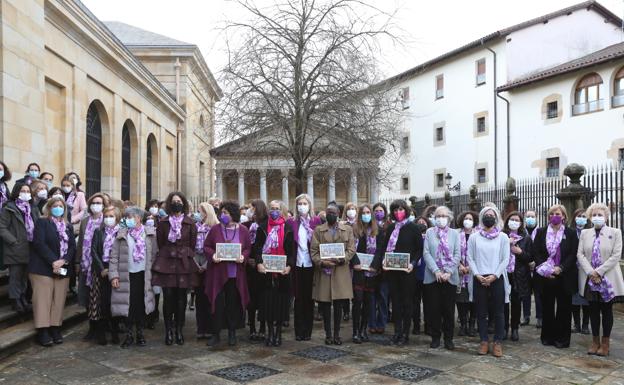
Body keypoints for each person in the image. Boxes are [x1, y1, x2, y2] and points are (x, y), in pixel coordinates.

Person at [152, 192, 200, 346]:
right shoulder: (163, 222)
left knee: (181, 299)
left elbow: (192, 244)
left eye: (179, 201)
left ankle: (179, 329)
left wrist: (184, 253)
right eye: (174, 201)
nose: (176, 203)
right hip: (167, 262)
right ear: (169, 204)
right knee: (168, 298)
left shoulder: (190, 223)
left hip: (183, 263)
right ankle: (168, 331)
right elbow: (160, 242)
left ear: (183, 203)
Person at [577, 203, 624, 357]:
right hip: (591, 280)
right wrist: (591, 272)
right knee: (593, 311)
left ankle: (605, 343)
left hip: (607, 279)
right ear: (590, 217)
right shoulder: (585, 233)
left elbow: (616, 255)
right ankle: (595, 341)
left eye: (600, 215)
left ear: (606, 216)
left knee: (607, 311)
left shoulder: (615, 232)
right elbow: (580, 254)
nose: (597, 217)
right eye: (594, 215)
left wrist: (599, 272)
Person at [374, 199, 423, 346]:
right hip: (392, 272)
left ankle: (405, 334)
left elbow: (419, 249)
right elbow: (384, 247)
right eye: (395, 210)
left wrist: (413, 264)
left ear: (406, 210)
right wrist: (383, 261)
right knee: (395, 302)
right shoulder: (391, 228)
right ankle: (397, 331)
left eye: (400, 209)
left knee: (407, 303)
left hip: (407, 272)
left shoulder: (413, 228)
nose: (398, 212)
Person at [204, 200, 251, 347]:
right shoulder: (215, 229)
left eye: (226, 212)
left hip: (235, 274)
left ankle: (232, 333)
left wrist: (243, 256)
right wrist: (213, 256)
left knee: (232, 304)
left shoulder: (243, 230)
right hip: (218, 273)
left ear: (233, 214)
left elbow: (248, 248)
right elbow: (207, 246)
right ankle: (215, 333)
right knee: (217, 304)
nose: (223, 215)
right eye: (222, 212)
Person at [29, 197, 75, 346]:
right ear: (49, 208)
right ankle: (43, 331)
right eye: (55, 206)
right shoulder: (42, 222)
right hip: (42, 268)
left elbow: (73, 247)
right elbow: (39, 243)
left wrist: (64, 261)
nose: (58, 208)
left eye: (60, 206)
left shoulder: (68, 226)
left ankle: (55, 328)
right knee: (43, 300)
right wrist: (53, 261)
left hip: (62, 267)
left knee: (59, 299)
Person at [109, 207, 157, 348]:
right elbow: (114, 257)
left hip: (143, 275)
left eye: (130, 217)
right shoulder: (121, 234)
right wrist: (114, 276)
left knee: (141, 305)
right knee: (128, 305)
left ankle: (140, 333)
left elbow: (154, 255)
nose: (127, 220)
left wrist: (153, 274)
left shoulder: (150, 234)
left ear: (138, 218)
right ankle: (129, 334)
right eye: (126, 217)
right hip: (126, 275)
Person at [533, 204, 578, 349]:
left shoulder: (570, 233)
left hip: (564, 276)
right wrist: (547, 270)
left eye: (557, 213)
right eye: (551, 213)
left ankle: (562, 339)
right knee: (547, 307)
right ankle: (547, 336)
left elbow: (573, 253)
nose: (554, 216)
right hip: (546, 276)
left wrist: (561, 268)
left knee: (564, 308)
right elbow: (537, 252)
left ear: (564, 216)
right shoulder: (541, 232)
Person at [468, 206, 510, 358]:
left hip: (496, 278)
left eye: (492, 215)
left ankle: (497, 342)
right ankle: (484, 341)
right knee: (481, 312)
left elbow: (505, 259)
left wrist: (495, 275)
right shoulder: (474, 237)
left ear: (496, 218)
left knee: (498, 312)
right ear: (481, 217)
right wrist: (477, 274)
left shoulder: (503, 237)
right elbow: (470, 257)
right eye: (486, 215)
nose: (489, 217)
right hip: (479, 278)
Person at [310, 202, 355, 345]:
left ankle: (337, 334)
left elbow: (351, 249)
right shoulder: (318, 230)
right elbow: (314, 251)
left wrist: (343, 259)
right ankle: (328, 334)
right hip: (324, 271)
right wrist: (322, 262)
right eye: (328, 212)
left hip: (341, 271)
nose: (331, 215)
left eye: (333, 213)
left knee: (338, 305)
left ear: (338, 214)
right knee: (325, 305)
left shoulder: (347, 229)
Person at [255, 200, 294, 346]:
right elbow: (257, 248)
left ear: (281, 210)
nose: (274, 211)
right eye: (272, 208)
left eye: (277, 208)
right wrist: (259, 263)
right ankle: (270, 333)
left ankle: (278, 333)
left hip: (283, 273)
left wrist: (289, 266)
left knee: (280, 305)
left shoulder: (288, 227)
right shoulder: (263, 227)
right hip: (266, 272)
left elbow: (291, 251)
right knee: (268, 304)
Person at [423, 206, 460, 350]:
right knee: (434, 309)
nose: (441, 218)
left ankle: (449, 338)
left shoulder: (455, 234)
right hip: (433, 277)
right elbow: (426, 253)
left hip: (450, 277)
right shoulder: (429, 232)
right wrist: (436, 271)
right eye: (438, 216)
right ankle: (435, 337)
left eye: (444, 216)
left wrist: (449, 271)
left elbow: (457, 254)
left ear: (449, 218)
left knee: (448, 310)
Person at [0, 183, 40, 313]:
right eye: (23, 191)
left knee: (24, 275)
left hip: (30, 247)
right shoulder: (9, 208)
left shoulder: (33, 208)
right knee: (15, 276)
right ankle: (15, 299)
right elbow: (2, 227)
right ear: (17, 192)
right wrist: (13, 241)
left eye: (28, 191)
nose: (26, 193)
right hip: (15, 247)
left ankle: (23, 297)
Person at [76, 192, 109, 340]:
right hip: (86, 265)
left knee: (100, 298)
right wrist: (77, 262)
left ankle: (102, 328)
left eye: (99, 203)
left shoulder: (107, 221)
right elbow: (81, 243)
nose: (96, 205)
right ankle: (92, 328)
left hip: (100, 266)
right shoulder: (85, 221)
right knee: (88, 298)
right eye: (94, 202)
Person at [290, 194, 321, 341]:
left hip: (311, 264)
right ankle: (298, 330)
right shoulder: (292, 222)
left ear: (310, 205)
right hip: (297, 264)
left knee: (309, 298)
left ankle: (307, 330)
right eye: (299, 204)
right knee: (298, 298)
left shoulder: (316, 222)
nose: (302, 206)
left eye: (304, 203)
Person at [89, 206, 121, 345]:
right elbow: (94, 251)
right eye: (106, 216)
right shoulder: (98, 232)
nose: (108, 218)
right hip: (101, 271)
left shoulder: (121, 233)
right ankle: (101, 333)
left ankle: (115, 332)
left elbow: (123, 253)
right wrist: (102, 269)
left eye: (111, 216)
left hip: (116, 271)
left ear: (117, 218)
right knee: (102, 302)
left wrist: (114, 270)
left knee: (114, 302)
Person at [351, 204, 382, 343]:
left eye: (368, 212)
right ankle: (355, 331)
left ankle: (363, 329)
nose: (366, 214)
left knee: (369, 302)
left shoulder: (378, 230)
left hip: (372, 272)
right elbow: (350, 248)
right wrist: (355, 263)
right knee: (358, 301)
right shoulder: (354, 230)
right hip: (358, 270)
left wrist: (375, 266)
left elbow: (380, 250)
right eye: (363, 212)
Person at [502, 211, 533, 342]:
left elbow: (530, 257)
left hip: (519, 275)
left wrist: (520, 252)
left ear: (520, 223)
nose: (514, 221)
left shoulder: (526, 238)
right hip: (504, 273)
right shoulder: (501, 235)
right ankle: (504, 328)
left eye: (517, 220)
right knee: (503, 302)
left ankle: (515, 328)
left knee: (516, 302)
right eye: (512, 219)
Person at [194, 201, 219, 340]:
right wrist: (196, 264)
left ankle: (210, 327)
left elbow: (215, 247)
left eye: (201, 211)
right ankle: (200, 327)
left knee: (210, 297)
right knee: (199, 298)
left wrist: (205, 264)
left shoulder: (214, 227)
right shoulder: (195, 226)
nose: (198, 214)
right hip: (197, 261)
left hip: (210, 263)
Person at [246, 199, 269, 341]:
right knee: (251, 299)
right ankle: (252, 327)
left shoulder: (266, 225)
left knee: (263, 298)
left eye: (252, 208)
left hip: (262, 265)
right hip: (249, 266)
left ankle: (262, 326)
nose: (250, 211)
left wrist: (259, 259)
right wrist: (248, 257)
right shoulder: (246, 225)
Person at [455, 211, 478, 337]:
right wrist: (460, 265)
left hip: (474, 272)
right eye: (466, 218)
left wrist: (470, 267)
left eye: (470, 218)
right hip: (459, 272)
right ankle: (463, 324)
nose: (468, 220)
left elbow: (480, 252)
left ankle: (472, 324)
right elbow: (451, 250)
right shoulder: (456, 234)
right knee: (461, 299)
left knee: (473, 299)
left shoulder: (478, 234)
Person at [370, 202, 390, 335]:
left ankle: (381, 323)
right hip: (370, 267)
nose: (378, 213)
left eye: (380, 210)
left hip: (384, 268)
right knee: (371, 298)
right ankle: (371, 323)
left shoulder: (389, 226)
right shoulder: (369, 227)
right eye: (376, 210)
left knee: (383, 297)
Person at [571, 208, 591, 335]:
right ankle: (576, 323)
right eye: (579, 216)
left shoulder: (590, 232)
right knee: (575, 298)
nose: (581, 218)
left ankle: (585, 324)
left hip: (586, 269)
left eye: (584, 216)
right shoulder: (571, 232)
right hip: (573, 269)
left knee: (587, 298)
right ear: (574, 218)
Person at [524, 209, 541, 328]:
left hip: (538, 266)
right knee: (525, 293)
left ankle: (540, 317)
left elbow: (543, 249)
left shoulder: (540, 232)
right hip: (524, 266)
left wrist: (536, 262)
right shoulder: (522, 232)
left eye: (532, 216)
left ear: (536, 218)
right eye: (528, 216)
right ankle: (526, 316)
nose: (530, 219)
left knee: (539, 293)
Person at [412, 216, 429, 336]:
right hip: (415, 273)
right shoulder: (413, 237)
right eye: (419, 222)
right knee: (415, 302)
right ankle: (416, 325)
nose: (422, 224)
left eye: (424, 222)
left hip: (427, 273)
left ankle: (428, 325)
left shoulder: (430, 237)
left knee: (428, 303)